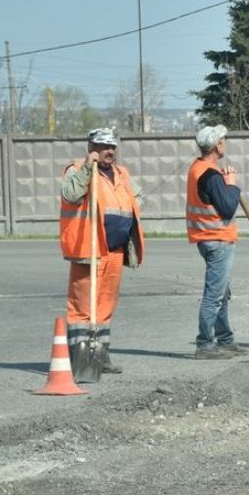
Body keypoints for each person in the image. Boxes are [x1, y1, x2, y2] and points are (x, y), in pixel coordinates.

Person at [59, 127, 144, 374]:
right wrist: (88, 168)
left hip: (115, 250)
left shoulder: (121, 173)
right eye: (104, 146)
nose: (110, 151)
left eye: (112, 146)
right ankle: (80, 358)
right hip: (89, 249)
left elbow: (137, 197)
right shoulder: (77, 169)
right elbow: (71, 194)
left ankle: (100, 356)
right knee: (83, 306)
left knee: (106, 304)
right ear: (91, 148)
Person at [187, 124, 247, 360]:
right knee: (214, 294)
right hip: (217, 240)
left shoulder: (199, 167)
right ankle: (205, 344)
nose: (225, 142)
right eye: (223, 139)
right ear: (217, 145)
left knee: (222, 291)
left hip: (208, 238)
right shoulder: (211, 175)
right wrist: (231, 183)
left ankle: (225, 339)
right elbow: (228, 207)